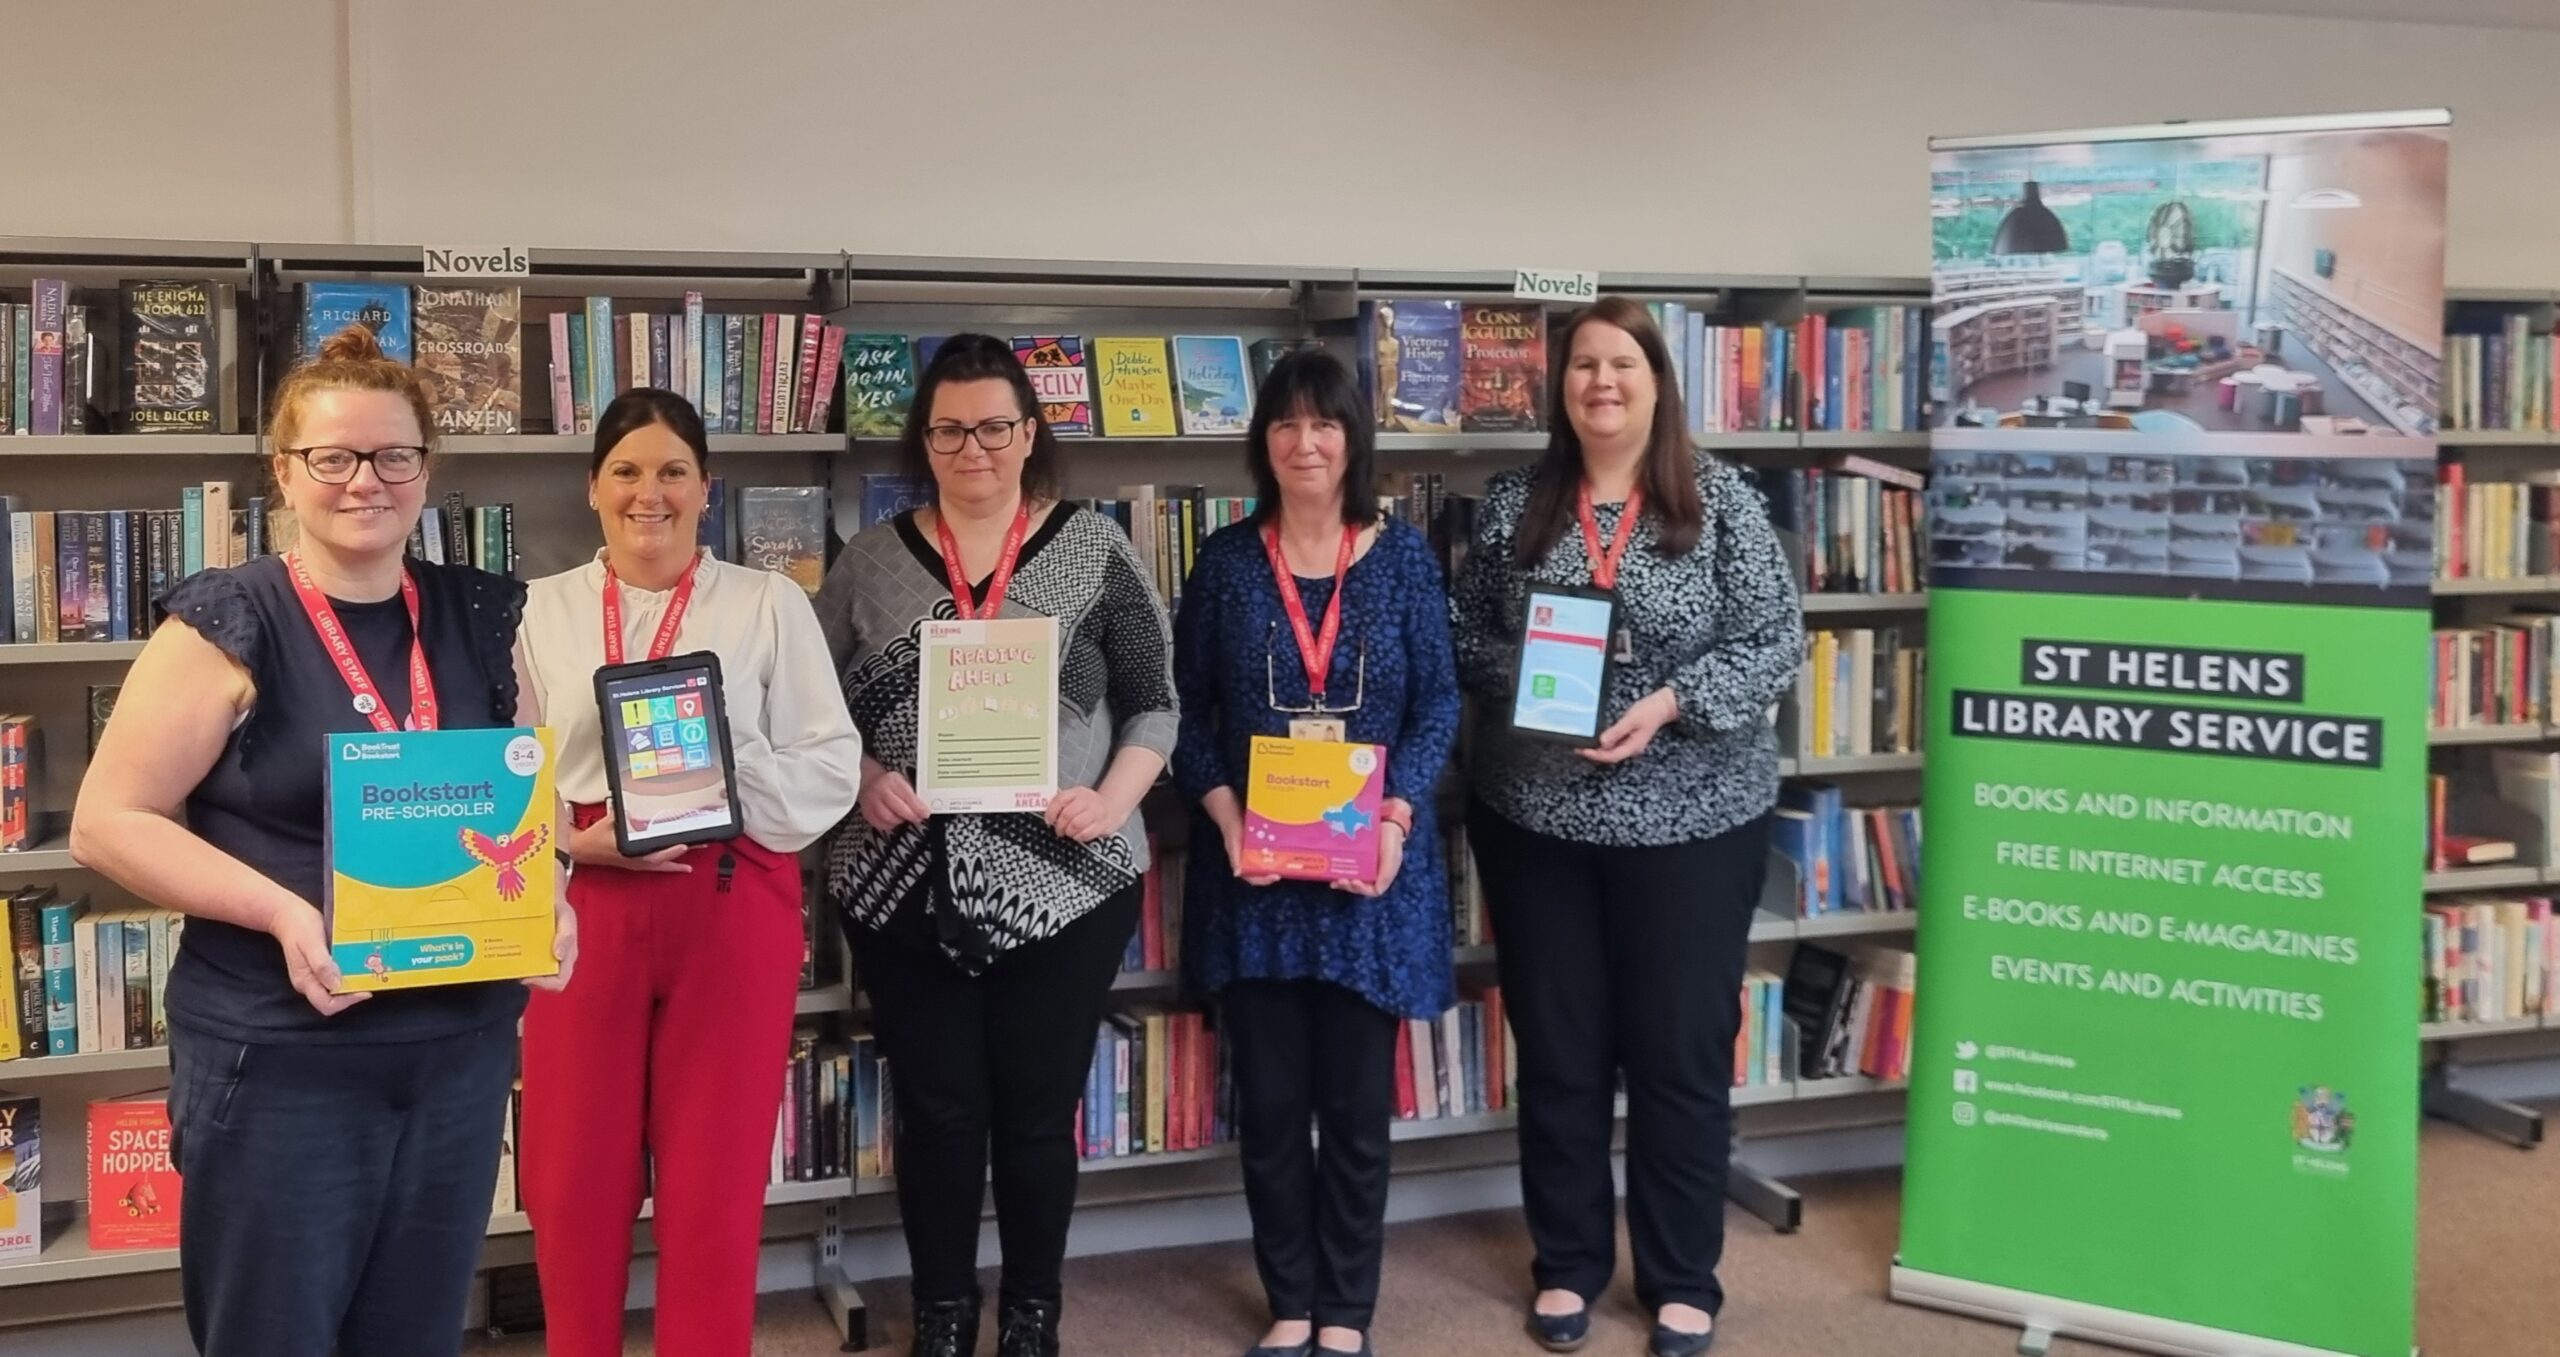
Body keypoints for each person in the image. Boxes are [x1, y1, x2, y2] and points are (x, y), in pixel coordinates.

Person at [68, 325, 576, 1357]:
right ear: (284, 473)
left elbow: (530, 795)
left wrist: (551, 894)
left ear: (426, 469)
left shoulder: (478, 616)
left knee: (416, 1333)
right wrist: (280, 908)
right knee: (274, 1336)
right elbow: (106, 822)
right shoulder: (224, 624)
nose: (365, 481)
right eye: (332, 458)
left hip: (456, 1055)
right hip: (282, 1057)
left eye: (394, 456)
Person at [1449, 296, 1803, 1357]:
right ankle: (1565, 1265)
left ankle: (1682, 1276)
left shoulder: (1722, 499)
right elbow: (1466, 639)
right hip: (1538, 817)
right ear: (1560, 389)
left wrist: (1668, 702)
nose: (1600, 382)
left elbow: (1775, 636)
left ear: (1656, 380)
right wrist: (1541, 688)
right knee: (1558, 1052)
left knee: (1677, 1055)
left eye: (1621, 364)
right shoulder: (1515, 501)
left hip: (1694, 821)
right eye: (1582, 367)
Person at [816, 334, 1178, 1357]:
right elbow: (802, 708)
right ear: (921, 441)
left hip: (1066, 879)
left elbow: (1156, 703)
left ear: (1028, 434)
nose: (971, 447)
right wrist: (861, 777)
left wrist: (1112, 800)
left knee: (1031, 1111)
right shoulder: (870, 562)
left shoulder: (1098, 550)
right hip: (901, 877)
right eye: (948, 428)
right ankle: (939, 1315)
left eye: (992, 426)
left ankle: (1030, 1313)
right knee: (936, 1113)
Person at [514, 388, 862, 1357]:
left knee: (713, 1183)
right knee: (570, 1177)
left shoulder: (767, 603)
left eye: (672, 470)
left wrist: (716, 763)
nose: (648, 493)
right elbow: (508, 772)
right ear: (592, 488)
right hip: (584, 901)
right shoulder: (540, 611)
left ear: (706, 488)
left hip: (728, 894)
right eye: (626, 470)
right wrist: (568, 842)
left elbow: (830, 762)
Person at [1172, 350, 1460, 1357]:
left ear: (1352, 440)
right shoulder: (1223, 562)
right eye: (1286, 425)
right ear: (1264, 440)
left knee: (1352, 1109)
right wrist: (1221, 819)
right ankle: (1288, 1300)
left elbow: (1437, 707)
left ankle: (1346, 1310)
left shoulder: (1404, 558)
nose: (1304, 442)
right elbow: (1185, 713)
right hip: (1253, 876)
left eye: (1324, 424)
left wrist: (1394, 818)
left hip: (1366, 878)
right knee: (1273, 1105)